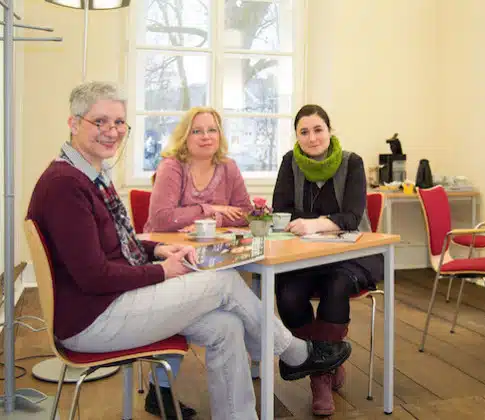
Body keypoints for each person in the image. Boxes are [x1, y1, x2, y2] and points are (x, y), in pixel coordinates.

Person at [27, 83, 352, 420]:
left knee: (227, 326)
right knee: (221, 280)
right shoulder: (66, 185)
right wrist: (162, 270)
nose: (112, 132)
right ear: (73, 122)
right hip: (92, 319)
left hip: (110, 302)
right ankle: (295, 353)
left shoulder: (90, 175)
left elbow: (119, 244)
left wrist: (157, 249)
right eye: (100, 122)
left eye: (119, 122)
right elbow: (94, 275)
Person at [272, 104, 383, 416]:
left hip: (352, 254)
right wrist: (320, 221)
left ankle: (320, 378)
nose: (312, 137)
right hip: (305, 255)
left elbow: (351, 216)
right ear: (296, 136)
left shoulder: (352, 163)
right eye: (304, 132)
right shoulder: (289, 163)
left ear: (330, 130)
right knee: (288, 294)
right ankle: (327, 359)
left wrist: (312, 223)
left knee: (337, 286)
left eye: (318, 129)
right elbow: (281, 211)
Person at [144, 106, 252, 233]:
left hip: (214, 246)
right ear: (184, 137)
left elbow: (247, 214)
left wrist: (213, 221)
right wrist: (211, 208)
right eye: (196, 131)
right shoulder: (171, 166)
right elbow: (161, 220)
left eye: (212, 130)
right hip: (168, 247)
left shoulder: (229, 166)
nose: (206, 136)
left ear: (219, 135)